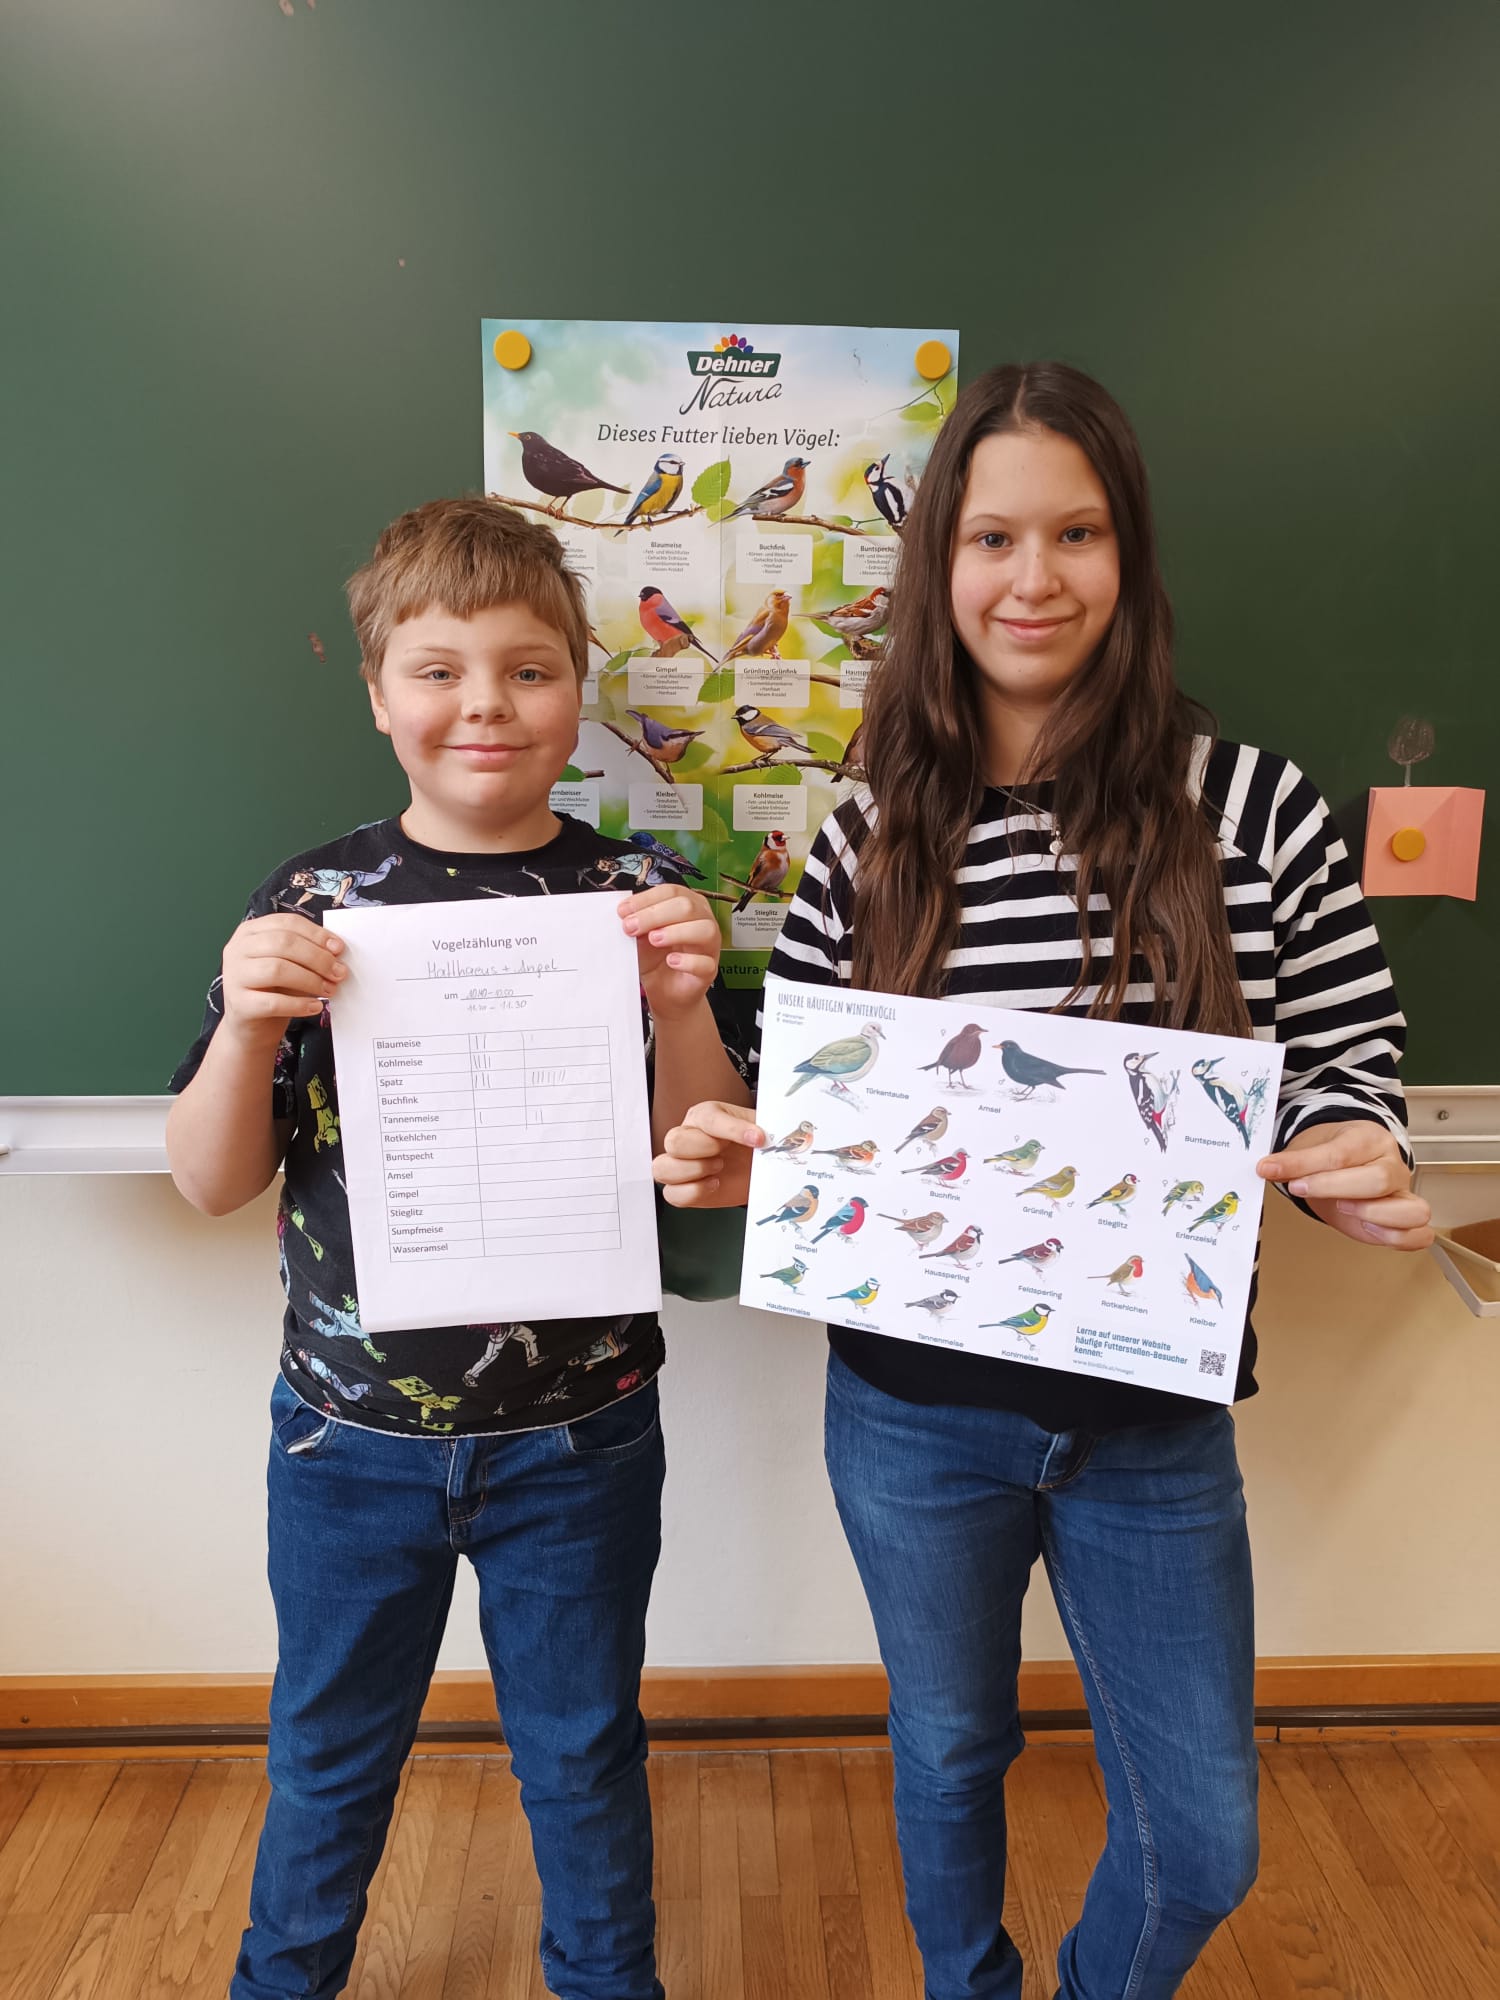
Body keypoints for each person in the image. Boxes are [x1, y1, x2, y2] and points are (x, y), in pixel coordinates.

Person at [652, 363, 1433, 2000]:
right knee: (949, 1748)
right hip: (913, 1410)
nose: (1035, 578)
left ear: (1128, 554)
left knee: (1203, 1840)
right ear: (939, 563)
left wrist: (1355, 1153)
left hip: (1155, 1414)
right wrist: (750, 1144)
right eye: (993, 537)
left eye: (1077, 534)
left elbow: (1346, 1056)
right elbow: (814, 1094)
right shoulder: (871, 829)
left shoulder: (1255, 809)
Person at [167, 496, 747, 2000]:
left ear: (578, 690)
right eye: (438, 670)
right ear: (378, 694)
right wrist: (248, 1026)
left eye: (527, 669)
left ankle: (608, 1982)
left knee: (584, 1750)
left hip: (582, 1434)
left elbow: (713, 1178)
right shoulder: (311, 904)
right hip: (347, 1441)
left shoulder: (637, 902)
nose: (484, 704)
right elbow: (211, 1182)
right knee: (329, 1751)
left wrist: (686, 1005)